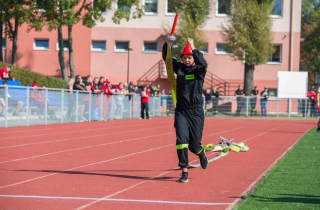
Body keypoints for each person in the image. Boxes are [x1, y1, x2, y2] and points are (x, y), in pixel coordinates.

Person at [162, 36, 208, 183]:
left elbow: (203, 63)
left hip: (196, 112)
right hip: (181, 111)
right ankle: (184, 172)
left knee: (194, 145)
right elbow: (166, 58)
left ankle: (201, 154)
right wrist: (168, 43)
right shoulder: (180, 69)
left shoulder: (199, 71)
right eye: (185, 57)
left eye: (189, 57)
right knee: (181, 140)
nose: (187, 60)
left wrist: (193, 47)